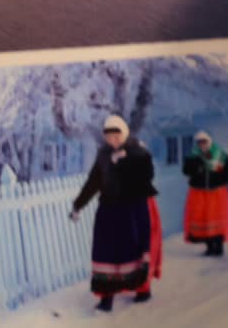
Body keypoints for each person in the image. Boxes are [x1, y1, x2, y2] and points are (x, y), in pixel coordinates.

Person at [69, 115, 159, 312]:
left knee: (134, 252)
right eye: (109, 136)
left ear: (124, 134)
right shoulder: (104, 155)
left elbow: (147, 175)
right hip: (108, 211)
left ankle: (142, 288)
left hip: (132, 210)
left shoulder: (137, 150)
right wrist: (78, 205)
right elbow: (93, 182)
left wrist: (131, 159)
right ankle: (106, 296)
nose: (113, 140)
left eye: (116, 135)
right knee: (105, 252)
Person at [181, 130, 228, 256]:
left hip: (217, 192)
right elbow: (186, 171)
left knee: (217, 218)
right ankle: (209, 246)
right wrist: (196, 166)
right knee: (204, 219)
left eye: (204, 141)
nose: (201, 144)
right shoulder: (193, 156)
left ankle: (219, 247)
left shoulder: (220, 155)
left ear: (209, 141)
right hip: (199, 192)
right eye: (199, 142)